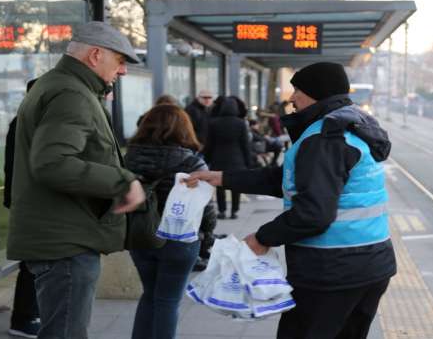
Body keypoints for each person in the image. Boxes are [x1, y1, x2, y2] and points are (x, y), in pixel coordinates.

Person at [186, 62, 396, 339]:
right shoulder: (350, 127)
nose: (292, 97)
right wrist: (224, 178)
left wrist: (262, 238)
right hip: (370, 262)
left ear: (316, 94)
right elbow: (287, 180)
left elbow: (314, 213)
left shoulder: (323, 138)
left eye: (297, 90)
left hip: (332, 269)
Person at [7, 21, 146, 339]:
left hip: (63, 235)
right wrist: (124, 181)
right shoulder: (72, 93)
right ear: (96, 55)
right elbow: (53, 163)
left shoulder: (62, 85)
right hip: (65, 242)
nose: (123, 71)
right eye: (120, 60)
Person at [124, 104, 216, 339]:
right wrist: (208, 237)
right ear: (184, 129)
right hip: (180, 239)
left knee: (149, 295)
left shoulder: (129, 159)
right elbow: (206, 207)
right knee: (167, 300)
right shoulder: (192, 163)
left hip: (141, 235)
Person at [3, 79, 40, 339]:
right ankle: (24, 318)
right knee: (32, 261)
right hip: (28, 202)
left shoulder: (22, 121)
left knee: (33, 260)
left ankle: (27, 316)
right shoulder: (26, 124)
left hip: (23, 200)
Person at [204, 96, 251, 219]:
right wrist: (248, 162)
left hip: (218, 158)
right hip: (237, 159)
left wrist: (206, 159)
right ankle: (234, 211)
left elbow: (209, 144)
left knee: (219, 185)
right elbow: (245, 144)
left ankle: (222, 211)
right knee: (236, 185)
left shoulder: (214, 123)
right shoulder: (241, 123)